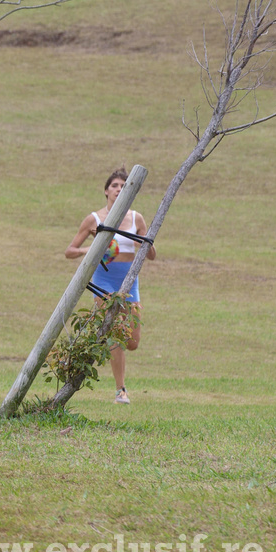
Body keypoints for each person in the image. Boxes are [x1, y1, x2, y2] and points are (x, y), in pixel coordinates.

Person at [65, 168, 158, 405]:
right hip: (104, 281)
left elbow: (152, 255)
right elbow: (70, 251)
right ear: (106, 190)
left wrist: (144, 242)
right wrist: (94, 247)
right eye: (115, 185)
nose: (119, 189)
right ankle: (121, 391)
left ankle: (101, 345)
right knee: (115, 332)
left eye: (124, 186)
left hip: (129, 282)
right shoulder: (95, 219)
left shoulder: (136, 218)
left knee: (132, 342)